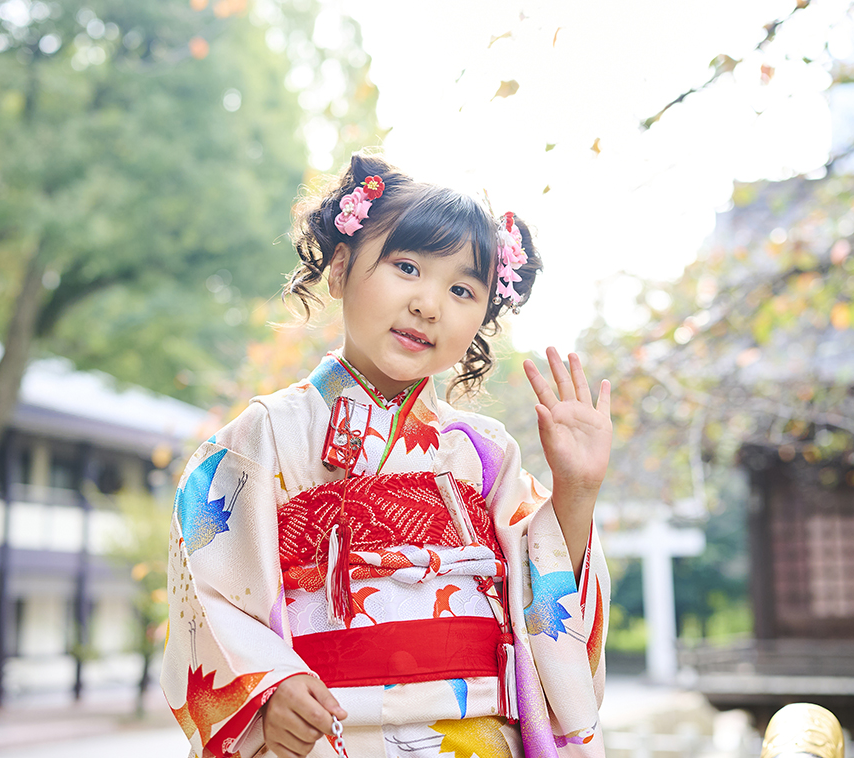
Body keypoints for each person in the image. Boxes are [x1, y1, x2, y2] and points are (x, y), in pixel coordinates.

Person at [162, 152, 612, 758]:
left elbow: (546, 600)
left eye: (461, 288)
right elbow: (211, 591)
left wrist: (576, 492)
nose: (430, 304)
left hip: (476, 737)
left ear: (482, 316)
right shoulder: (262, 437)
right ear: (342, 269)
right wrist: (268, 687)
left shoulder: (486, 455)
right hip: (327, 733)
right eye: (406, 266)